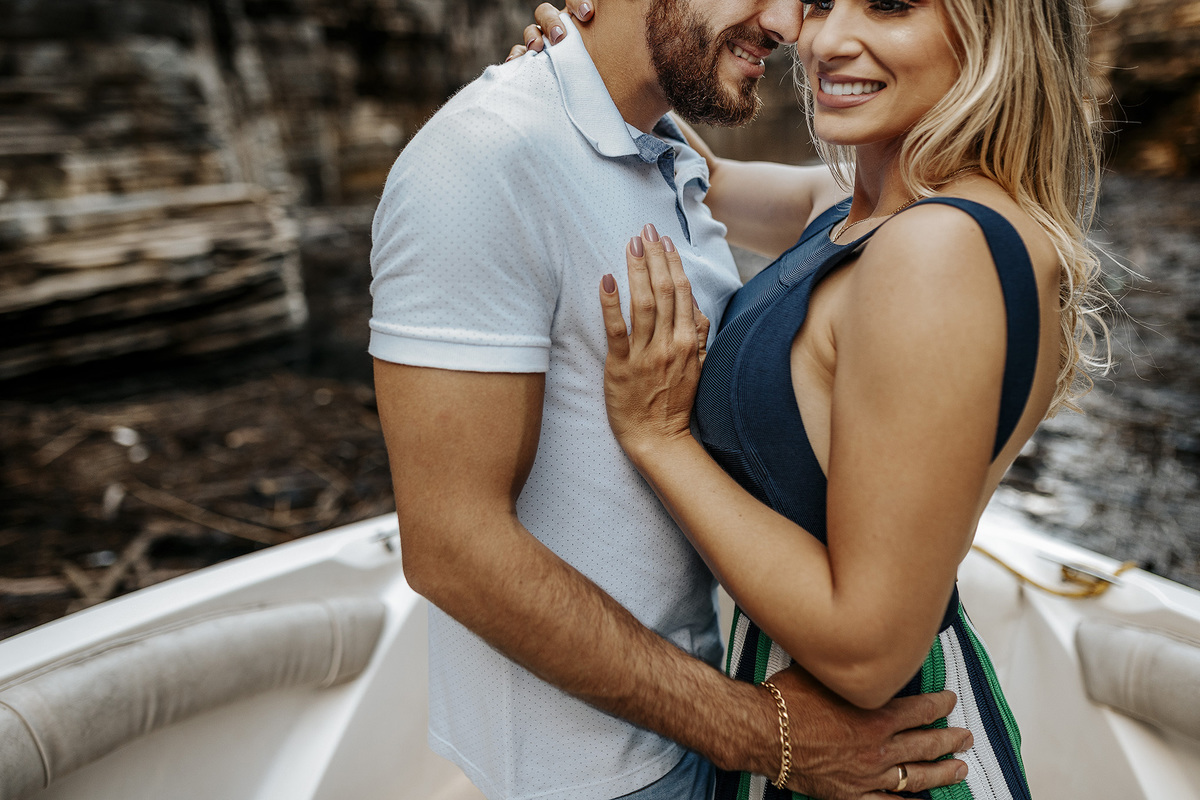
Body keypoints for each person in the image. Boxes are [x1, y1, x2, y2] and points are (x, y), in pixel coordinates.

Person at [369, 1, 974, 799]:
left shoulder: (660, 152)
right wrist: (762, 732)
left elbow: (826, 205)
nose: (790, 25)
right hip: (596, 774)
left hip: (695, 716)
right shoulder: (482, 157)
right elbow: (451, 548)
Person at [524, 0, 1107, 798]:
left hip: (875, 755)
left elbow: (869, 655)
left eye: (890, 5)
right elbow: (706, 179)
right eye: (825, 2)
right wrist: (596, 62)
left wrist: (660, 437)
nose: (826, 41)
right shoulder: (865, 208)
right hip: (805, 731)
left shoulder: (935, 252)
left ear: (998, 29)